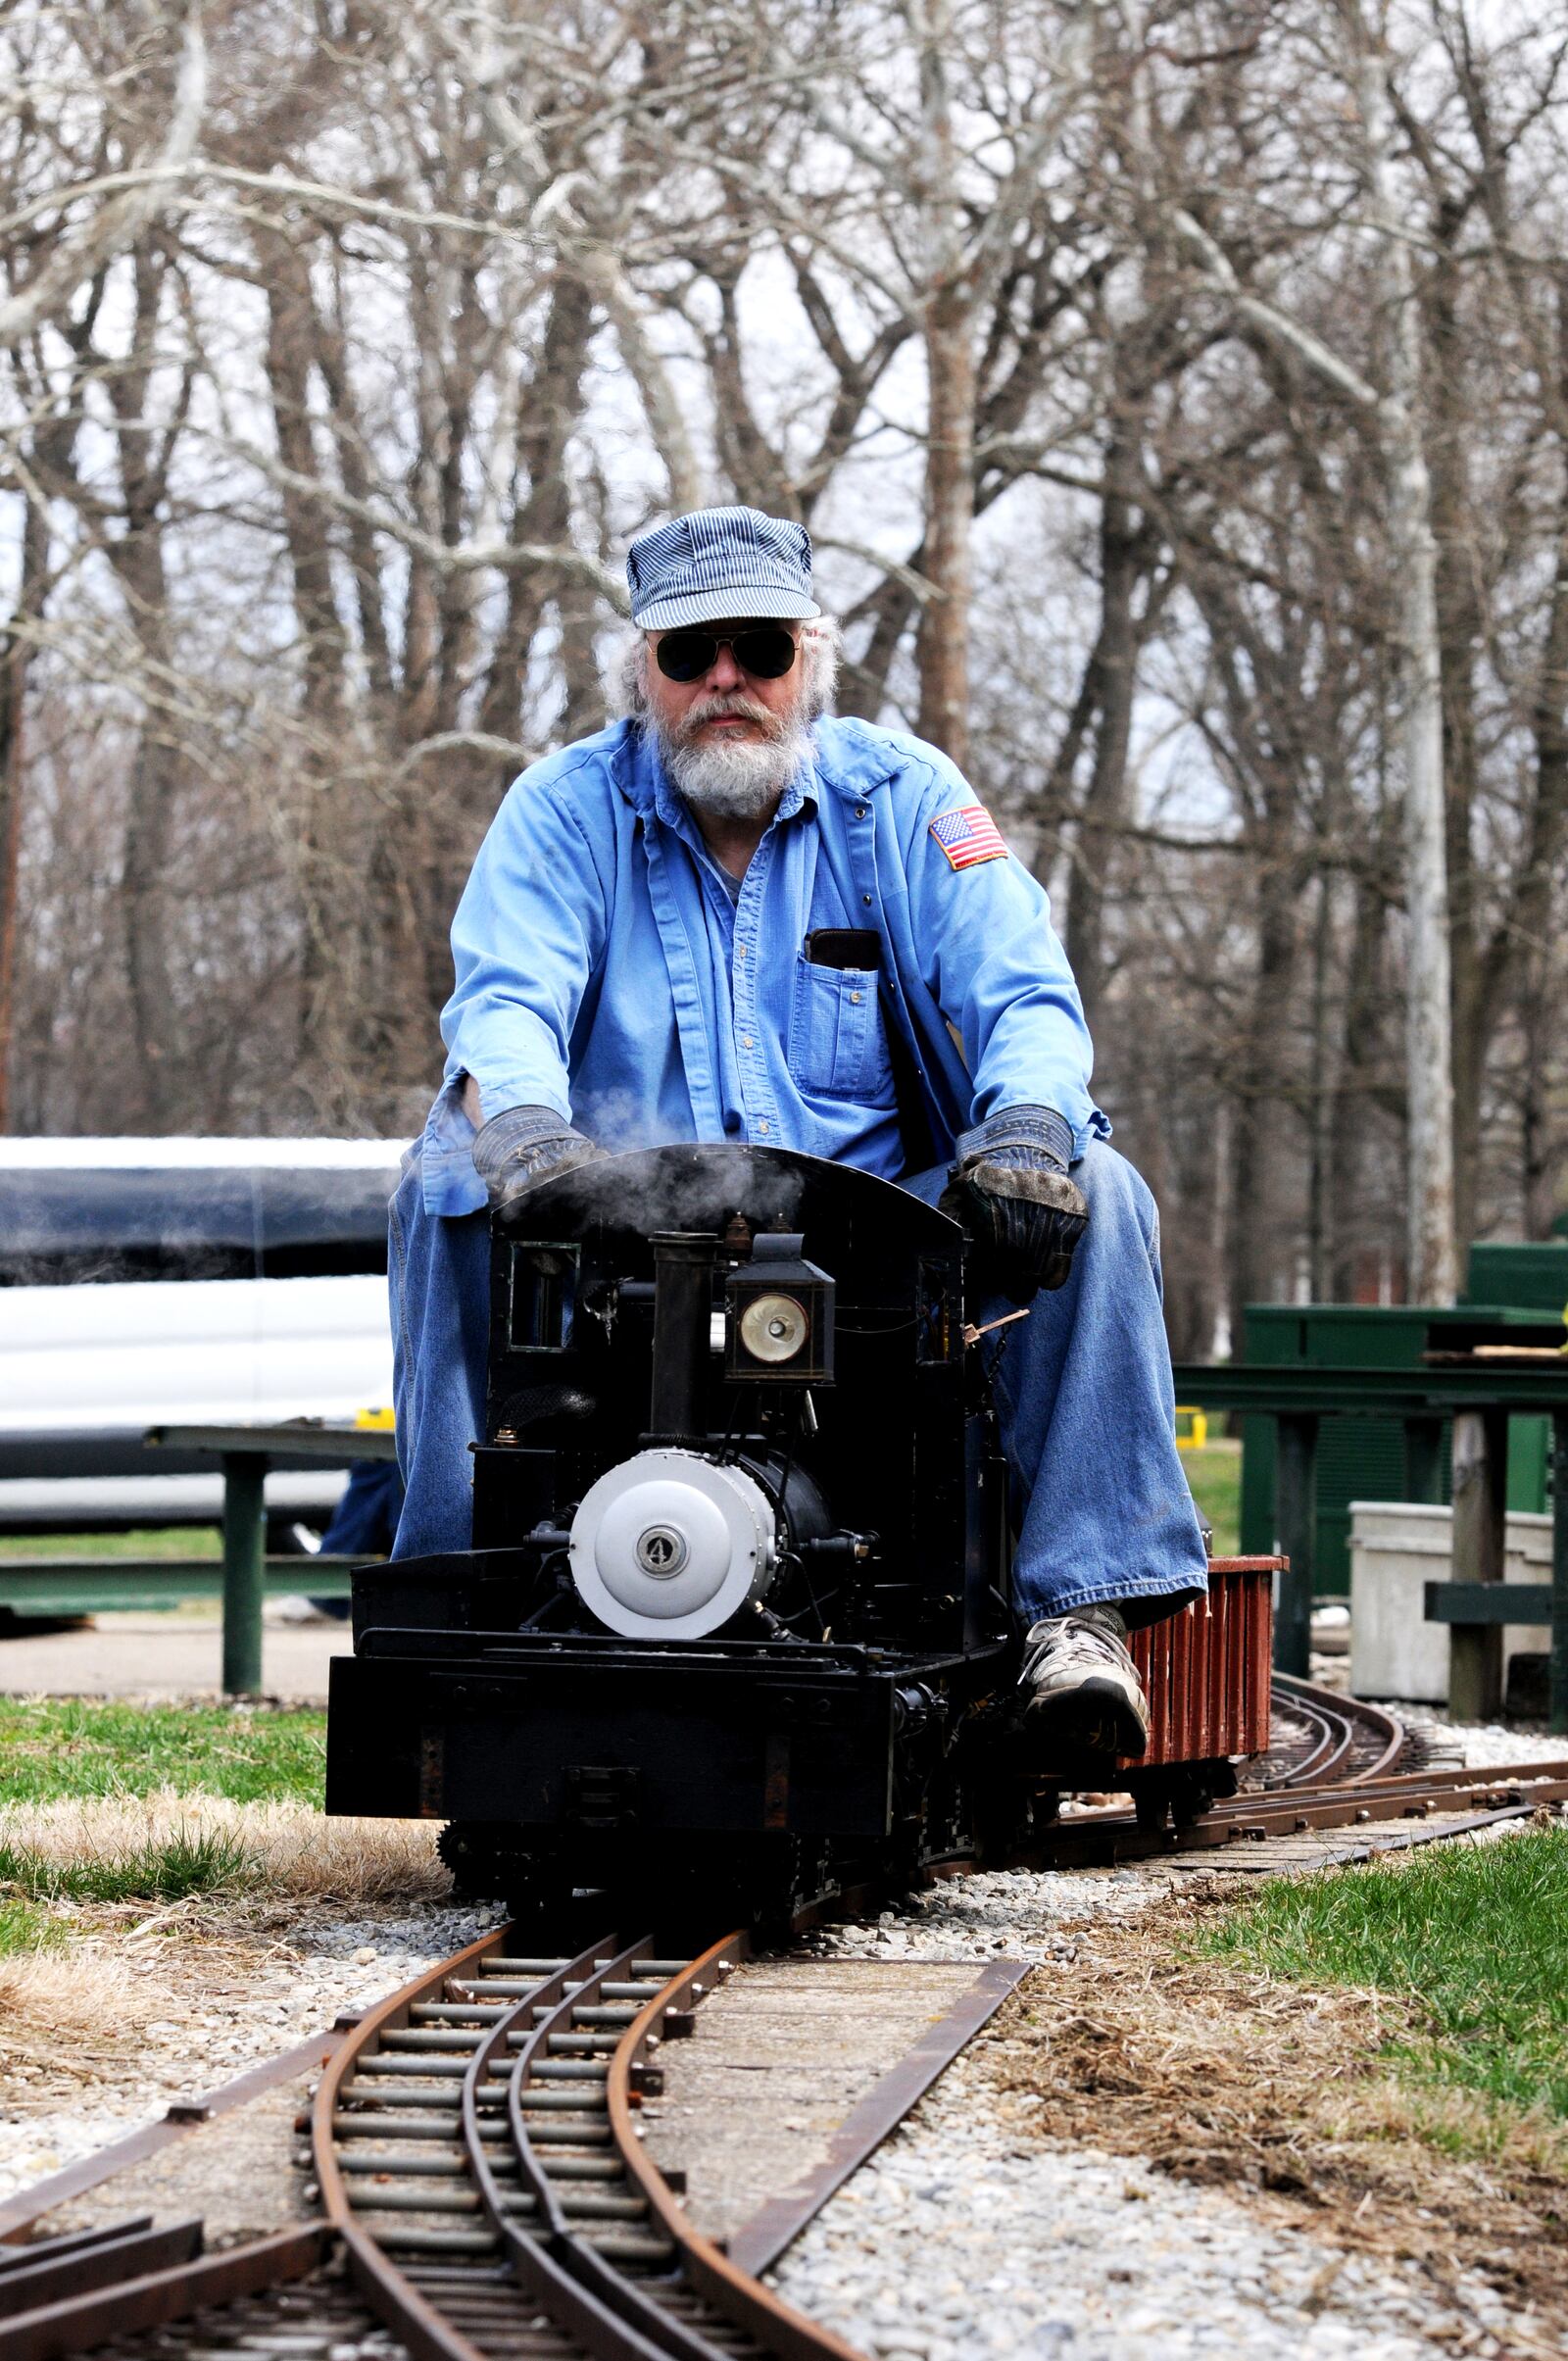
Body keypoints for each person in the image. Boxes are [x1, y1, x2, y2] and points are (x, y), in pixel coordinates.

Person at [389, 505, 1208, 1759]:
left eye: (758, 649)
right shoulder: (557, 812)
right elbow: (503, 1005)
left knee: (1105, 1188)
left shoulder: (911, 799)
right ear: (641, 669)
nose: (726, 679)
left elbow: (1023, 994)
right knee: (442, 1176)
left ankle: (1074, 1617)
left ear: (808, 660)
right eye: (691, 652)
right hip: (618, 1227)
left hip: (886, 1237)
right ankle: (454, 1598)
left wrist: (1031, 1124)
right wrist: (534, 1140)